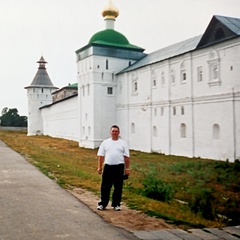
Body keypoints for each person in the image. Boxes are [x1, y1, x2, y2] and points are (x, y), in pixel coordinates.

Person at [97, 125, 130, 211]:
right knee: (105, 186)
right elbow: (101, 156)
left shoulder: (123, 143)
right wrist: (99, 167)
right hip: (108, 166)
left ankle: (116, 204)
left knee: (118, 187)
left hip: (119, 167)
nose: (114, 133)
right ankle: (103, 204)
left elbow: (126, 157)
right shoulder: (105, 143)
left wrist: (127, 169)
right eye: (113, 131)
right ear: (110, 132)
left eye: (116, 131)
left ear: (119, 133)